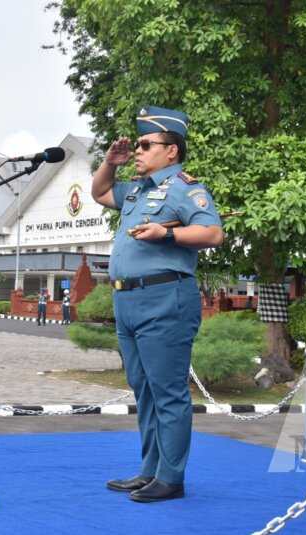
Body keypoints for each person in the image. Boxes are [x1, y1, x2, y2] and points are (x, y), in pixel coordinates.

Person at [91, 105, 224, 502]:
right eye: (139, 144)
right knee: (143, 389)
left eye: (148, 144)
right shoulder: (136, 190)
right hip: (128, 300)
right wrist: (108, 163)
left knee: (167, 391)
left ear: (172, 151)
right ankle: (149, 470)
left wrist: (167, 236)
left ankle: (171, 477)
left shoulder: (185, 188)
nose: (139, 150)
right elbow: (98, 193)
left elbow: (213, 233)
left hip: (165, 297)